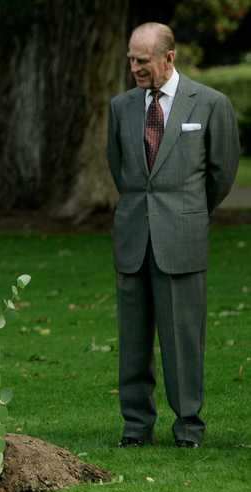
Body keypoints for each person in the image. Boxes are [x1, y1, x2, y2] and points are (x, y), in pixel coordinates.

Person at [107, 22, 239, 449]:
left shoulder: (211, 104)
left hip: (182, 239)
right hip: (132, 238)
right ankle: (135, 427)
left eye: (142, 60)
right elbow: (120, 168)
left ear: (169, 57)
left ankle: (188, 428)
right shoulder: (120, 107)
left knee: (183, 340)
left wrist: (188, 213)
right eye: (130, 59)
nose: (134, 67)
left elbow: (221, 174)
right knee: (132, 341)